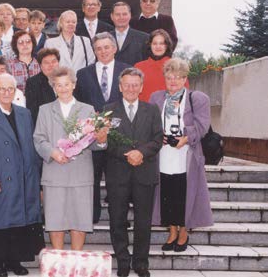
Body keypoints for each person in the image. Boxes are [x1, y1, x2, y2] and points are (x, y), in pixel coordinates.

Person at [0, 73, 45, 277]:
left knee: (19, 222)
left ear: (15, 92)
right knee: (0, 221)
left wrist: (36, 179)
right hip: (1, 177)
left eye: (10, 89)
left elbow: (31, 146)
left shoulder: (25, 114)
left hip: (24, 177)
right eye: (2, 89)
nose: (6, 93)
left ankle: (15, 260)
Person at [33, 66, 107, 250]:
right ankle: (58, 263)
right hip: (54, 173)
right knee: (55, 221)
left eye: (67, 84)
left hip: (80, 174)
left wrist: (102, 139)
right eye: (59, 85)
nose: (63, 88)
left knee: (80, 221)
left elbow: (94, 144)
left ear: (74, 85)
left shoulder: (88, 109)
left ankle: (75, 261)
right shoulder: (44, 110)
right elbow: (38, 139)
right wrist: (53, 152)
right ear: (53, 87)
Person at [149, 58, 213, 253]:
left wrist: (184, 139)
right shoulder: (156, 98)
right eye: (169, 78)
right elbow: (150, 124)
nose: (173, 82)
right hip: (164, 155)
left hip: (186, 155)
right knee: (166, 193)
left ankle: (183, 231)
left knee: (183, 193)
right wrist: (158, 137)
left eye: (177, 78)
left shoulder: (198, 98)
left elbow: (202, 126)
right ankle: (172, 231)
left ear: (185, 78)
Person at [105, 68, 163, 277]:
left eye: (135, 85)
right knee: (117, 220)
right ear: (120, 87)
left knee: (143, 221)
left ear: (141, 87)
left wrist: (140, 153)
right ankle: (122, 261)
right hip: (117, 174)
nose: (131, 88)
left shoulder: (152, 110)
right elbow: (105, 142)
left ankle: (140, 263)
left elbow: (158, 139)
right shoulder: (108, 110)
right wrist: (127, 154)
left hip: (144, 173)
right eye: (126, 84)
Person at [74, 32, 131, 223]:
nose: (103, 51)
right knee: (93, 176)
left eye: (107, 47)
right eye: (98, 48)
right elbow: (79, 104)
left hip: (120, 134)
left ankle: (119, 217)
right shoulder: (83, 74)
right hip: (93, 136)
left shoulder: (127, 71)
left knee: (119, 179)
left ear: (114, 48)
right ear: (94, 50)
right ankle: (93, 215)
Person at [135, 29, 183, 102]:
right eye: (155, 43)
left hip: (168, 111)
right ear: (150, 45)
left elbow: (183, 95)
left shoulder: (176, 67)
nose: (158, 47)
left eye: (162, 43)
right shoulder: (139, 67)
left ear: (166, 46)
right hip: (144, 111)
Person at [25, 48, 60, 124]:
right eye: (46, 63)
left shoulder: (66, 80)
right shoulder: (33, 83)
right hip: (44, 126)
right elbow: (33, 112)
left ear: (58, 63)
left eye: (54, 61)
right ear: (40, 65)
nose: (51, 65)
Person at [109, 2, 149, 66]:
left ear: (130, 15)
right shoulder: (105, 38)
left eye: (124, 14)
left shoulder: (144, 38)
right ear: (112, 16)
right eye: (117, 14)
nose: (121, 17)